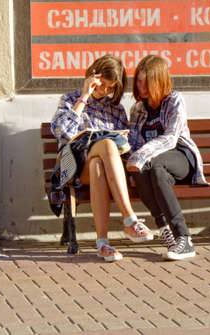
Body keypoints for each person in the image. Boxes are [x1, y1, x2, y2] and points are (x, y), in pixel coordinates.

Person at [51, 54, 153, 262]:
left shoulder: (115, 109)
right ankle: (130, 219)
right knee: (106, 143)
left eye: (111, 87)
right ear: (92, 77)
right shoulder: (71, 99)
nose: (105, 91)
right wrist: (84, 97)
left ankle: (102, 244)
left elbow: (127, 144)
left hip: (100, 170)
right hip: (74, 167)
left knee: (99, 162)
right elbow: (61, 132)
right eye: (102, 85)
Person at [126, 55, 210, 260]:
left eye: (147, 82)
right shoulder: (137, 109)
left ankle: (184, 238)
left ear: (159, 81)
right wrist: (133, 160)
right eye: (139, 81)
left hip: (180, 158)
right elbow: (134, 142)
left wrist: (140, 156)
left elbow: (171, 137)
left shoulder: (174, 100)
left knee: (147, 162)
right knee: (144, 168)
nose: (142, 86)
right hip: (155, 169)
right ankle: (165, 229)